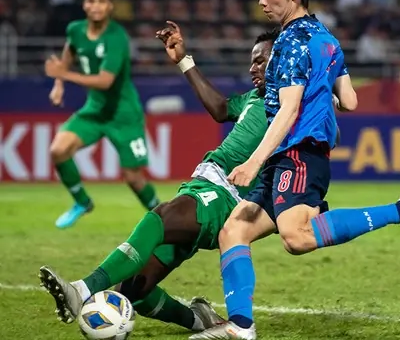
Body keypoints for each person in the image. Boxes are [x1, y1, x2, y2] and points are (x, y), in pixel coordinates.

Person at [191, 0, 400, 340]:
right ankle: (241, 326)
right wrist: (321, 97)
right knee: (235, 229)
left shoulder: (290, 42)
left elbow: (288, 110)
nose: (261, 1)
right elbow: (349, 100)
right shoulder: (326, 38)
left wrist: (252, 161)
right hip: (288, 157)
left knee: (296, 238)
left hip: (298, 154)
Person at [38, 24, 282, 332]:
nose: (252, 68)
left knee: (161, 217)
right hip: (203, 183)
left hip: (227, 196)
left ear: (282, 61)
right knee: (133, 290)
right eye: (251, 61)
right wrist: (184, 60)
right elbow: (221, 109)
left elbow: (326, 121)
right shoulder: (254, 98)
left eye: (260, 61)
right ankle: (199, 318)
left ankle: (81, 290)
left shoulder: (289, 105)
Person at [44, 0, 160, 228]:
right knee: (58, 150)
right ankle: (82, 202)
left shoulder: (116, 38)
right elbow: (68, 52)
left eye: (101, 1)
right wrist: (58, 84)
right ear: (84, 5)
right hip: (95, 111)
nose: (95, 5)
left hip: (123, 115)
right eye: (91, 0)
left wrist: (64, 75)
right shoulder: (75, 30)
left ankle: (163, 218)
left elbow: (105, 81)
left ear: (110, 7)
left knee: (133, 177)